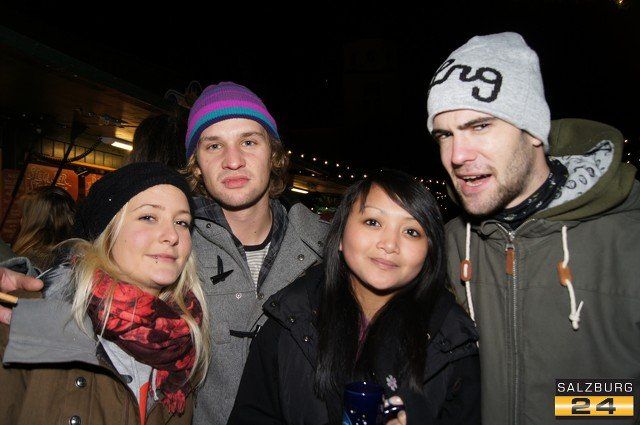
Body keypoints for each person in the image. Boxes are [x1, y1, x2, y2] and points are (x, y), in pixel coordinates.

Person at [0, 81, 329, 425]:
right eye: (214, 145)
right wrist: (27, 288)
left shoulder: (326, 249)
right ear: (196, 163)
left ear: (273, 154)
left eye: (249, 142)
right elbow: (87, 278)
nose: (233, 161)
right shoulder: (170, 251)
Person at [427, 32, 640, 424]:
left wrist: (579, 410)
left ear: (533, 132)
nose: (457, 155)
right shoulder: (452, 243)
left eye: (480, 126)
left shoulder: (628, 238)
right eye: (445, 135)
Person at [228, 170, 480, 425]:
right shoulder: (290, 318)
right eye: (373, 222)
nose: (389, 244)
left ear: (429, 252)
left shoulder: (453, 340)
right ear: (340, 235)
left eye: (411, 231)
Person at [0, 162, 210, 424]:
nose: (172, 235)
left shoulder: (184, 341)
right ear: (107, 232)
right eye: (148, 217)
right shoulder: (24, 317)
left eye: (181, 222)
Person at [12, 185, 76, 270]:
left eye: (24, 216)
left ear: (34, 223)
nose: (21, 221)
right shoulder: (77, 255)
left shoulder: (26, 261)